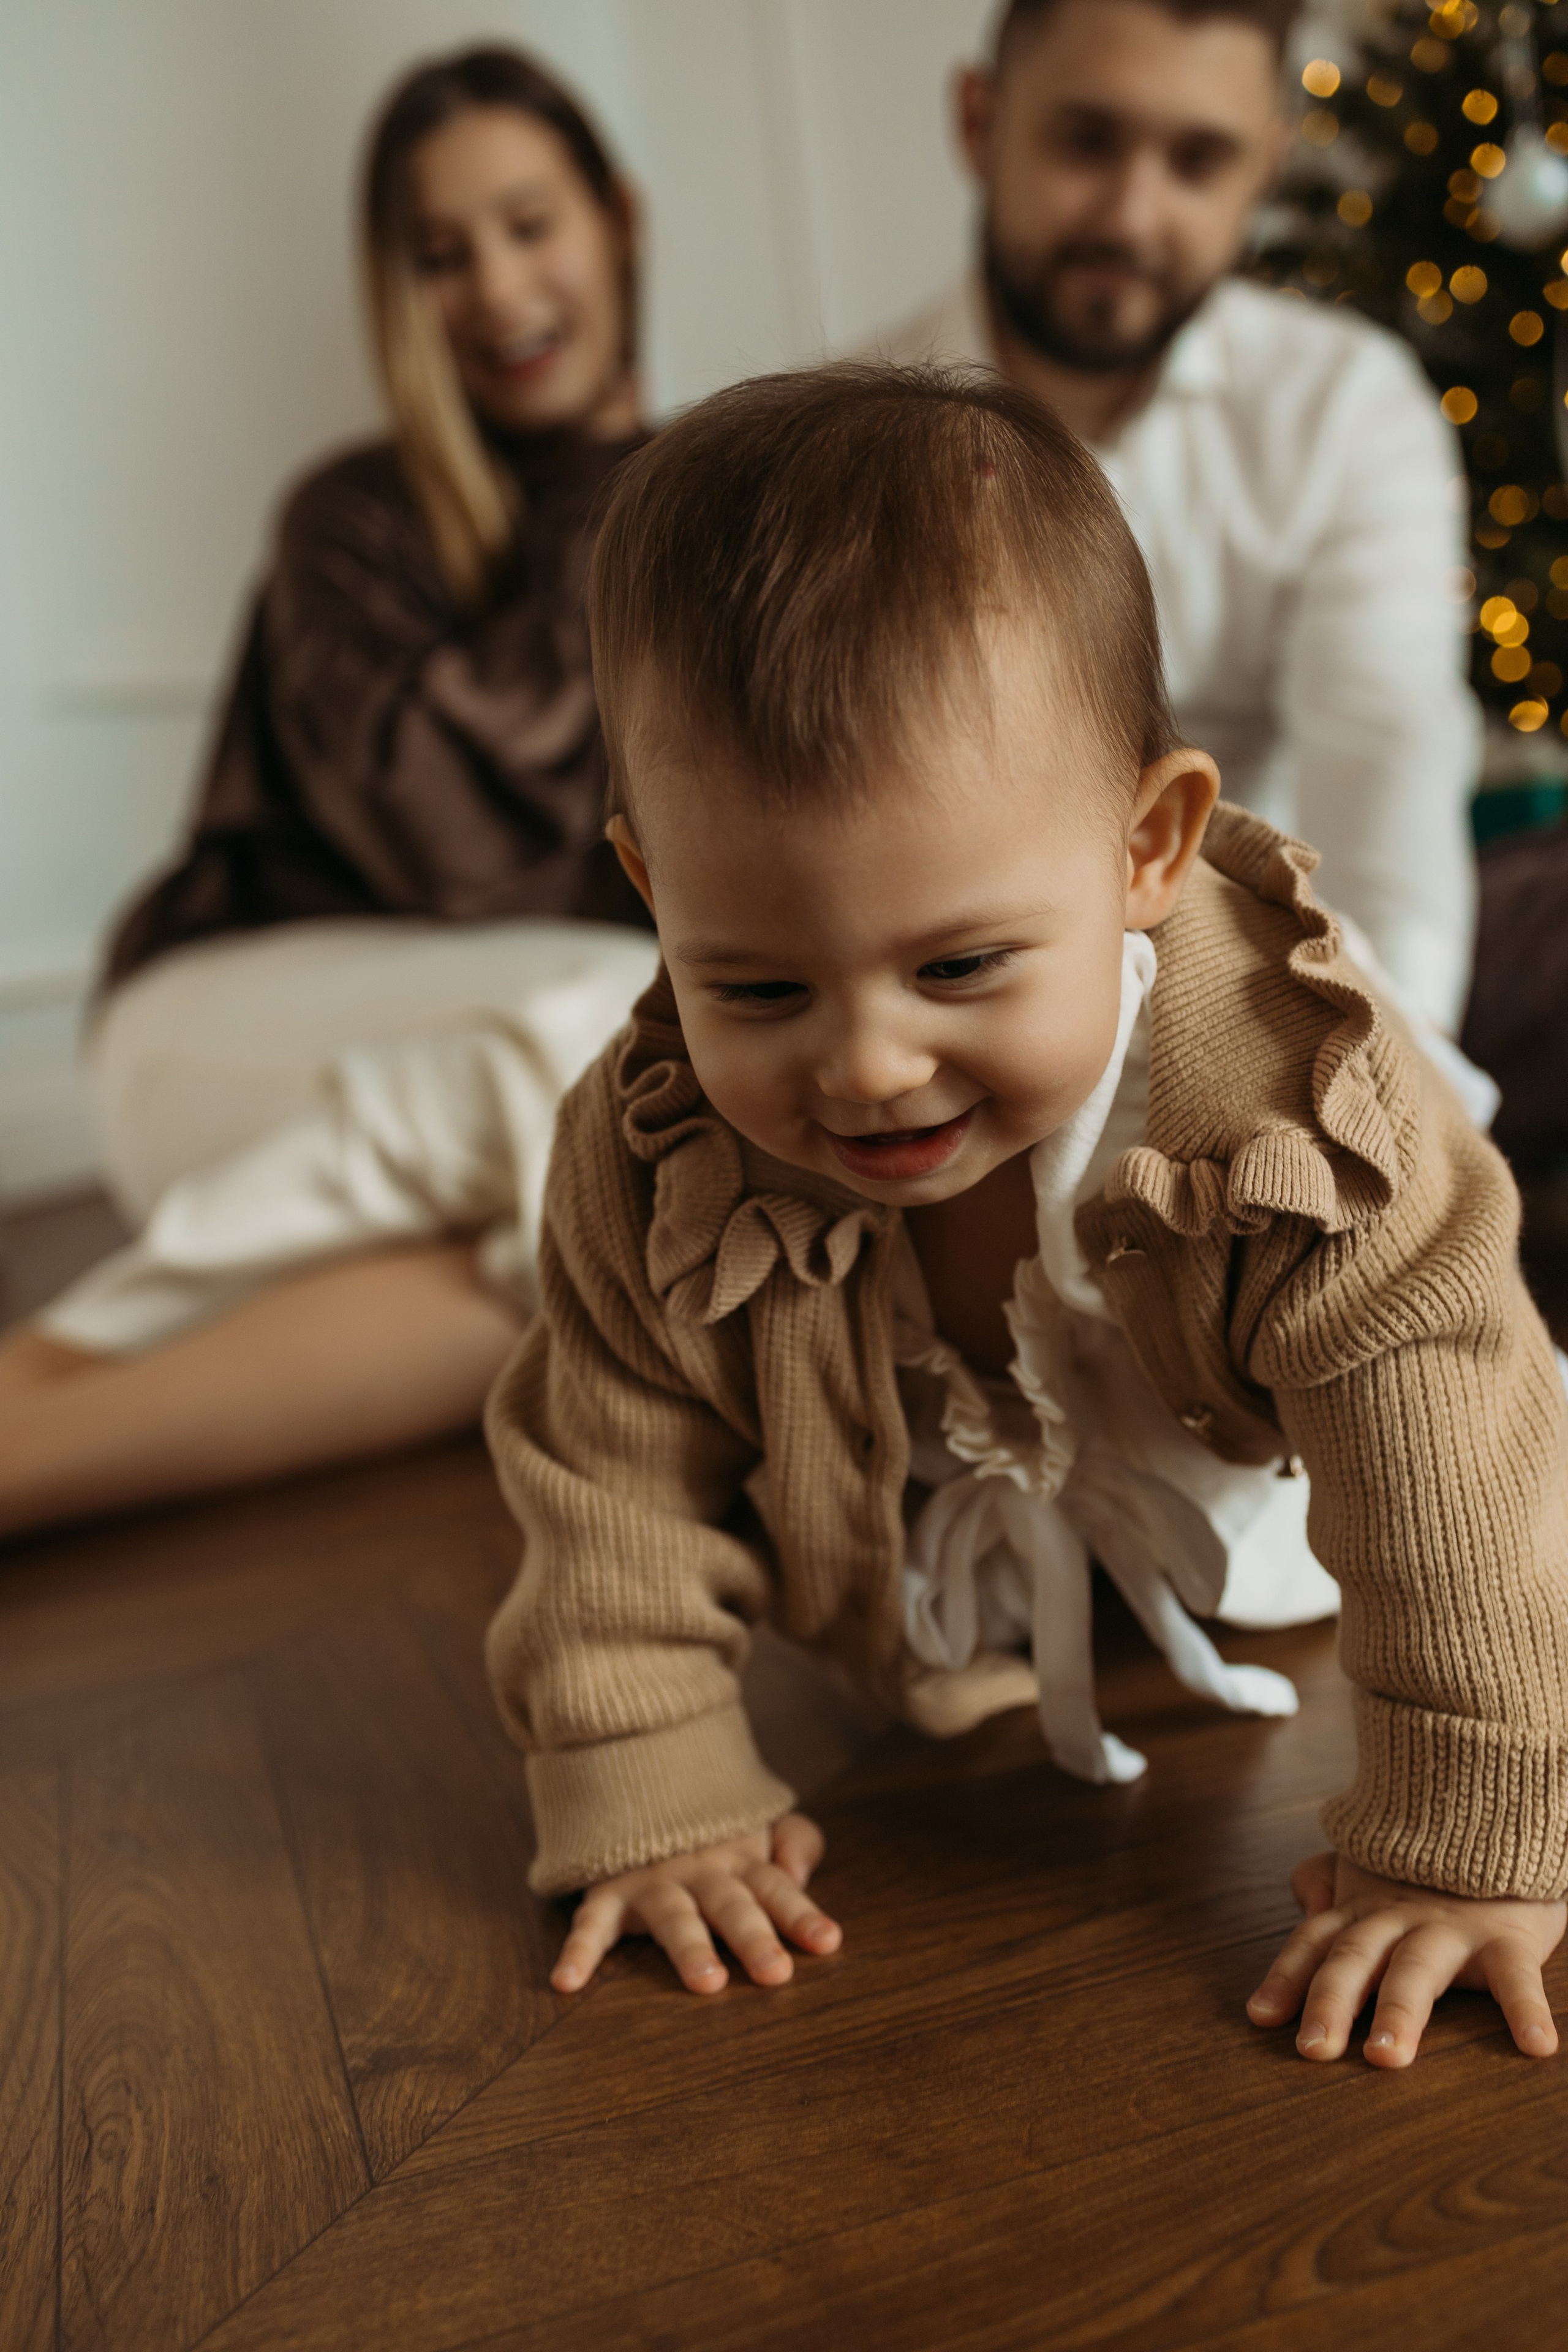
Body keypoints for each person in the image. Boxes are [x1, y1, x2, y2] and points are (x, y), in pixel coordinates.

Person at [481, 364, 1567, 2070]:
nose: (866, 1065)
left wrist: (1465, 1828)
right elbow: (605, 1463)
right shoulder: (654, 1150)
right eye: (756, 985)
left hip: (1295, 1496)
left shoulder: (1294, 1111)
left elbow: (1441, 1445)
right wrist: (643, 1774)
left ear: (1148, 846)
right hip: (939, 1563)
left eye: (960, 966)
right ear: (652, 886)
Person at [0, 46, 660, 1536]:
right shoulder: (347, 516)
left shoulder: (683, 503)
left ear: (618, 221)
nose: (496, 288)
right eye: (441, 254)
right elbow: (461, 842)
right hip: (219, 1025)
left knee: (598, 1220)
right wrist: (612, 463)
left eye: (529, 225)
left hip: (473, 1077)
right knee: (630, 1050)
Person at [871, 0, 1479, 1038]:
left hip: (1281, 999)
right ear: (979, 121)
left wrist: (1379, 1080)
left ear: (1266, 171)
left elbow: (1387, 789)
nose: (1131, 216)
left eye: (1199, 162)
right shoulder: (842, 449)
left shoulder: (1350, 408)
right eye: (1086, 141)